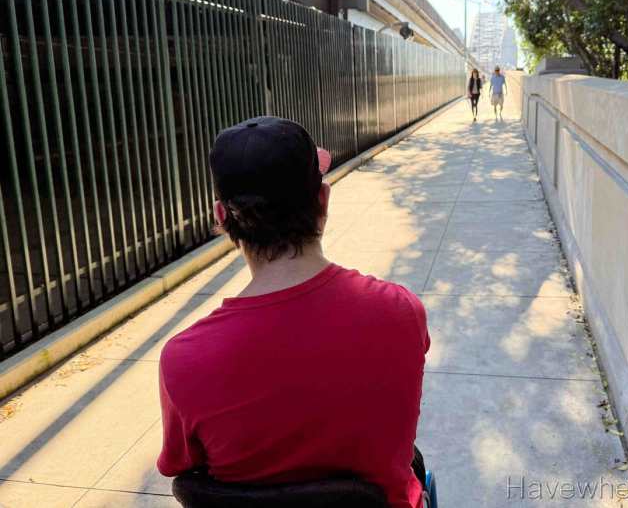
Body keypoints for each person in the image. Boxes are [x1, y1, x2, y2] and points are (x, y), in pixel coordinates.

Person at [156, 117, 430, 508]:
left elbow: (182, 467)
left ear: (221, 217)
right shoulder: (401, 313)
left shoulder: (182, 359)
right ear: (323, 200)